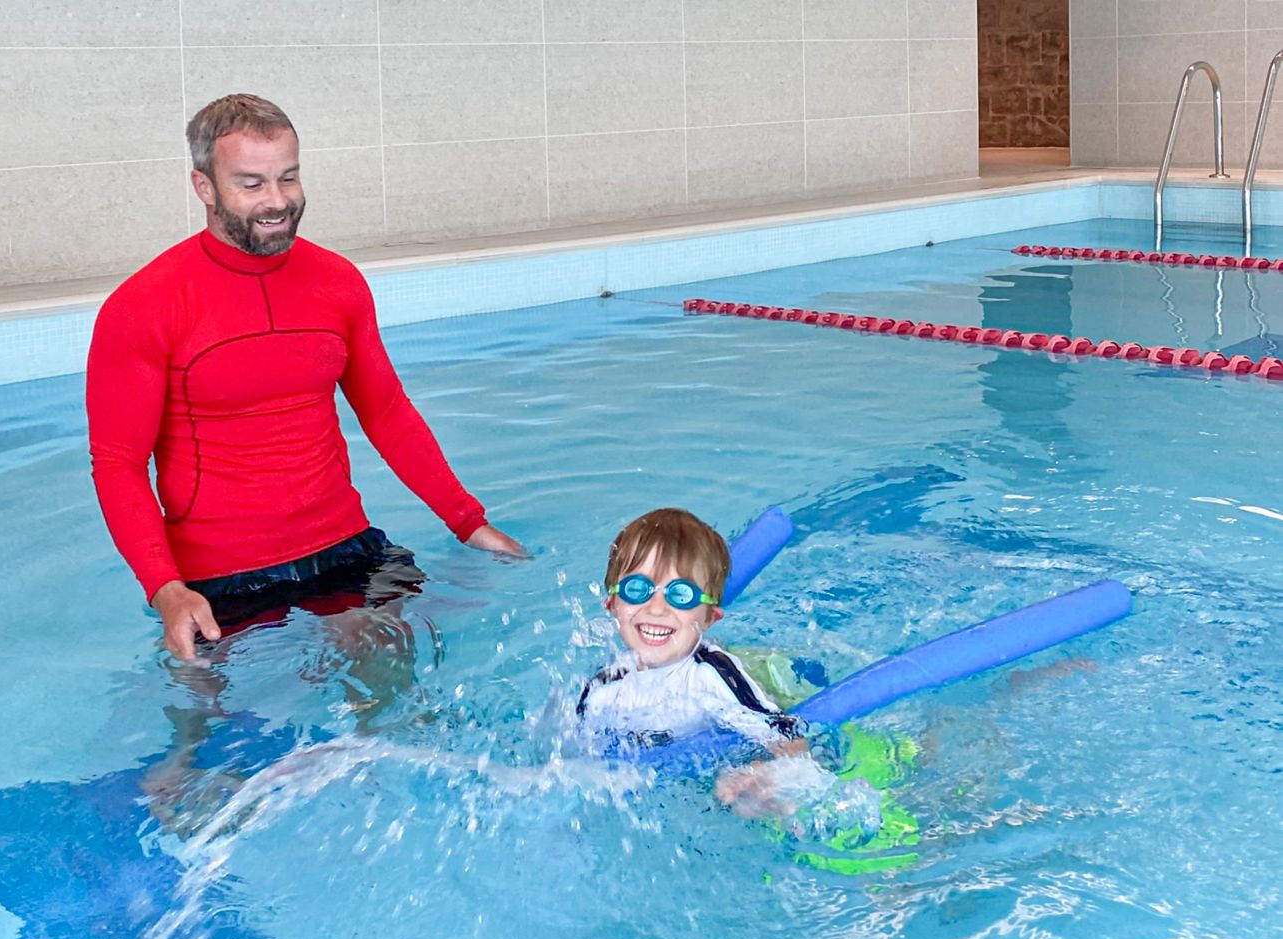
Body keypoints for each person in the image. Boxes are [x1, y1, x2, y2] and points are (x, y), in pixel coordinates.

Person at [86, 93, 524, 662]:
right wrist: (165, 587)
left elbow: (386, 412)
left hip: (343, 547)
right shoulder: (144, 306)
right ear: (204, 187)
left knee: (398, 680)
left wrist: (468, 522)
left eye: (288, 178)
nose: (277, 201)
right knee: (214, 735)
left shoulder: (337, 283)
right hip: (218, 575)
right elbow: (118, 463)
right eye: (251, 184)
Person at [577, 507, 869, 832]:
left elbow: (787, 737)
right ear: (612, 605)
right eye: (637, 589)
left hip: (749, 699)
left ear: (710, 617)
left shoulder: (712, 676)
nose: (656, 608)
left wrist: (771, 779)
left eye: (681, 595)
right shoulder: (600, 690)